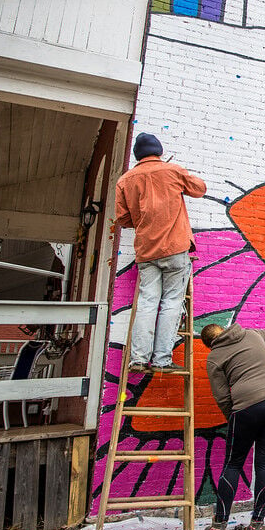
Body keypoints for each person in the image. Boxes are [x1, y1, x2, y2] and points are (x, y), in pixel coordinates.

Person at [115, 132, 206, 371]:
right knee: (172, 303)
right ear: (159, 151)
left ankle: (139, 359)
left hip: (146, 251)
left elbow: (123, 219)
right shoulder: (172, 171)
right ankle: (162, 360)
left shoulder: (125, 180)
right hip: (175, 248)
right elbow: (200, 189)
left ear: (137, 155)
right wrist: (177, 174)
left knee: (147, 303)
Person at [202, 323, 265, 530]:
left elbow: (222, 396)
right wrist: (257, 336)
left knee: (233, 464)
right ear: (223, 329)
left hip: (247, 407)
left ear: (208, 344)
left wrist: (233, 418)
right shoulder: (251, 335)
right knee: (264, 463)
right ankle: (256, 525)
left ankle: (219, 525)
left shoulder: (214, 356)